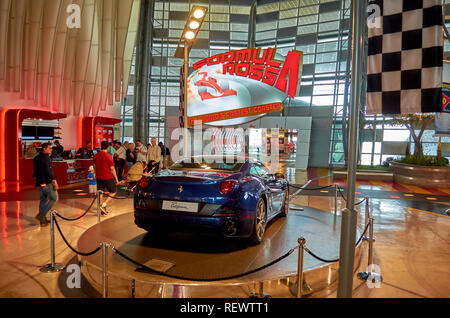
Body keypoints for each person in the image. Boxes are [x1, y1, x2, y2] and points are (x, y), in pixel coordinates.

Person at [33, 142, 59, 226]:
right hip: (47, 182)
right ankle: (41, 215)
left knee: (43, 200)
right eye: (50, 148)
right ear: (44, 149)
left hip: (39, 182)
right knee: (54, 198)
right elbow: (49, 171)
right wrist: (55, 182)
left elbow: (35, 171)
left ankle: (42, 220)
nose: (51, 150)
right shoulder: (46, 158)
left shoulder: (36, 158)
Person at [93, 141, 119, 215]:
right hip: (107, 176)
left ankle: (102, 209)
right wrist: (116, 179)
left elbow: (94, 166)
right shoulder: (108, 156)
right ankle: (104, 204)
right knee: (113, 191)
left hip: (98, 177)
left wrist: (95, 173)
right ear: (108, 147)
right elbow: (112, 168)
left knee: (100, 192)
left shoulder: (96, 155)